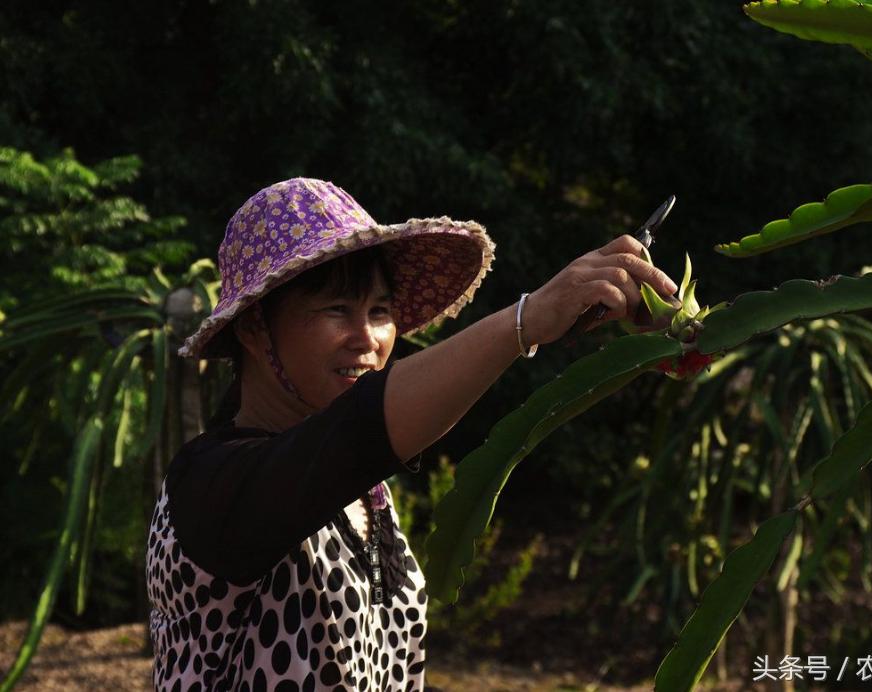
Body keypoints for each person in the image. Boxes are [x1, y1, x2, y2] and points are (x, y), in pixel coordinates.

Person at [146, 177, 677, 692]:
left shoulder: (366, 495)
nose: (368, 338)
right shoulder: (212, 485)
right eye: (336, 309)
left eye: (380, 311)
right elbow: (360, 430)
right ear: (255, 330)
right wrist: (529, 318)